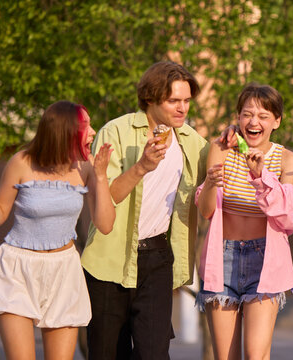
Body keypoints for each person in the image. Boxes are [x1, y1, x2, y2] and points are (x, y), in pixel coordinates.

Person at [81, 61, 209, 360]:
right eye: (173, 101)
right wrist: (142, 166)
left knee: (154, 352)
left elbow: (223, 162)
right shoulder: (116, 132)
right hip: (109, 258)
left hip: (158, 258)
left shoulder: (191, 141)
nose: (183, 109)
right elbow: (106, 199)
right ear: (150, 98)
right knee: (107, 353)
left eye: (187, 101)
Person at [0, 100, 115, 360]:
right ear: (64, 131)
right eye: (86, 126)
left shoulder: (85, 166)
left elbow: (105, 225)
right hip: (16, 270)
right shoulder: (21, 162)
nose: (94, 132)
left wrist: (102, 177)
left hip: (63, 271)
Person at [195, 83, 293, 360]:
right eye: (247, 114)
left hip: (263, 260)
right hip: (223, 257)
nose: (254, 122)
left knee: (256, 355)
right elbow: (206, 211)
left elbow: (291, 218)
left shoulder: (286, 159)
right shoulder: (220, 150)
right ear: (238, 117)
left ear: (276, 121)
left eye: (263, 116)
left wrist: (260, 176)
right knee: (226, 356)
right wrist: (209, 184)